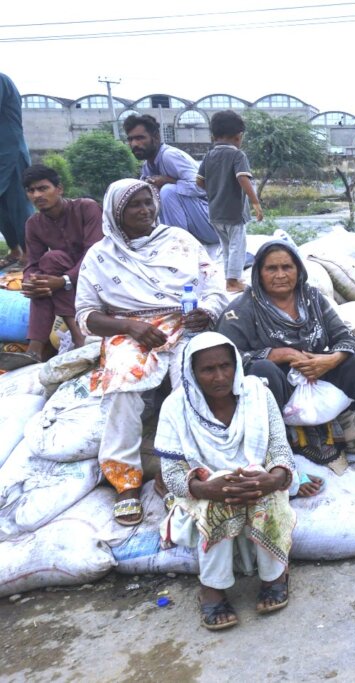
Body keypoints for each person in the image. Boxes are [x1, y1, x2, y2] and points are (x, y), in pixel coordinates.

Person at [76, 179, 228, 525]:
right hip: (129, 329)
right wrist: (131, 328)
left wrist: (207, 311)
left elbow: (214, 284)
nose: (145, 210)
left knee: (193, 380)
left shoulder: (180, 241)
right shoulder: (101, 256)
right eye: (135, 206)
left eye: (148, 203)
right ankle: (125, 480)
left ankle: (186, 468)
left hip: (184, 322)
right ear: (116, 212)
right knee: (124, 383)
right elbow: (87, 316)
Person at [217, 241, 355, 479]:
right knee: (263, 371)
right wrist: (278, 354)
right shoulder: (242, 308)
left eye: (287, 267)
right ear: (259, 274)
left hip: (316, 372)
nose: (280, 275)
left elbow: (344, 337)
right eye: (271, 269)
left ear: (298, 270)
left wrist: (330, 361)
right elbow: (225, 356)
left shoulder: (312, 298)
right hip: (278, 381)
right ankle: (281, 460)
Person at [156, 333, 295, 630]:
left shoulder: (258, 393)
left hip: (259, 482)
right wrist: (206, 488)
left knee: (260, 492)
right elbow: (172, 474)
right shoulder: (175, 406)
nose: (219, 376)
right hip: (204, 489)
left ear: (236, 366)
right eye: (208, 370)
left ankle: (275, 575)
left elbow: (280, 449)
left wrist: (272, 479)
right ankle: (212, 588)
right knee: (219, 499)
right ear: (192, 372)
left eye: (225, 366)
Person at [20, 164, 102, 359]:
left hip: (99, 274)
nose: (37, 195)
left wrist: (64, 280)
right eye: (31, 191)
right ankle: (38, 349)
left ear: (59, 189)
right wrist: (30, 281)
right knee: (46, 269)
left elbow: (95, 254)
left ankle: (40, 346)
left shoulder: (86, 208)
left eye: (43, 188)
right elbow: (32, 262)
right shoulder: (34, 223)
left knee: (51, 261)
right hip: (64, 280)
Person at [124, 114, 221, 255]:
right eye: (131, 139)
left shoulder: (169, 156)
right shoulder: (147, 166)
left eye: (140, 138)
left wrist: (167, 181)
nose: (134, 144)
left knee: (168, 191)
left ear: (156, 137)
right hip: (198, 227)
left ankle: (180, 249)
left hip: (214, 222)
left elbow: (203, 186)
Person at [196, 110, 263, 294]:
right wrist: (255, 203)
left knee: (225, 247)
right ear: (238, 136)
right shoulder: (237, 155)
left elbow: (199, 181)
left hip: (215, 212)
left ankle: (229, 279)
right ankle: (233, 281)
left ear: (213, 136)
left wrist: (215, 191)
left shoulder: (209, 156)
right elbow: (243, 179)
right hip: (233, 212)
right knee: (237, 246)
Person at [0, 73, 31, 268]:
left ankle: (30, 252)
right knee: (1, 209)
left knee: (19, 205)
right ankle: (14, 250)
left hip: (10, 153)